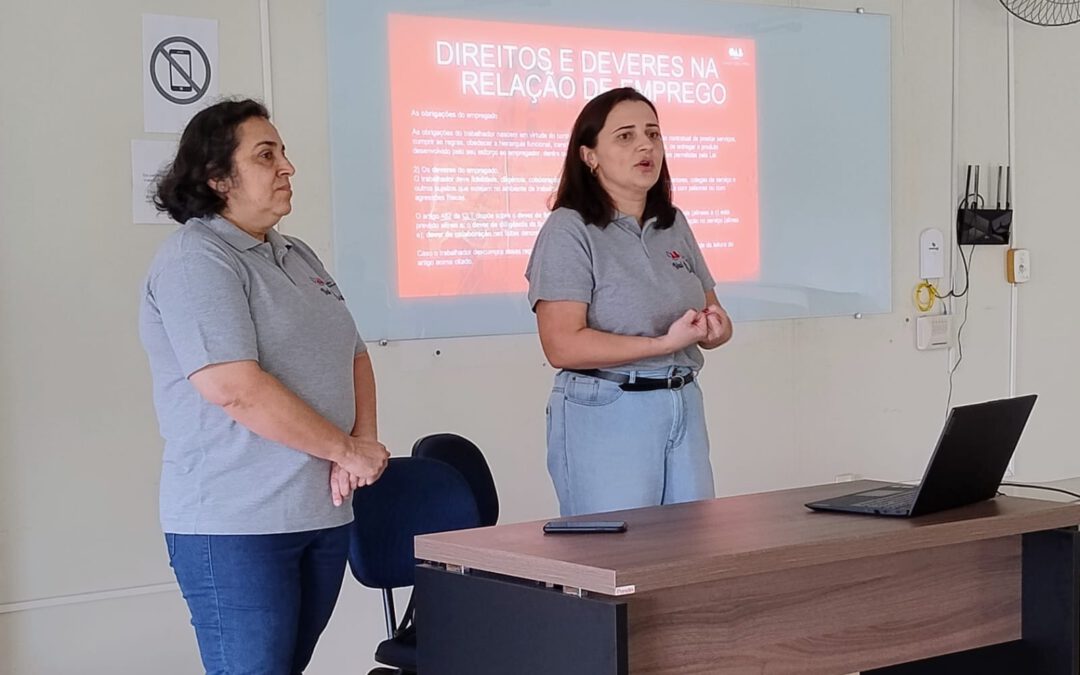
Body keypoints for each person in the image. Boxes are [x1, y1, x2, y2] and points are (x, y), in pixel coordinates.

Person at [139, 98, 389, 674]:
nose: (287, 167)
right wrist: (345, 449)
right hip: (237, 524)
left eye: (283, 152)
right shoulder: (195, 258)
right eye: (266, 155)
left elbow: (352, 352)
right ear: (217, 177)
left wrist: (363, 444)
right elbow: (234, 388)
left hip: (318, 514)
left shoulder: (295, 253)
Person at [525, 87, 733, 517]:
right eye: (625, 136)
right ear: (589, 156)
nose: (645, 146)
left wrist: (715, 328)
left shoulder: (673, 224)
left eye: (653, 134)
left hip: (681, 401)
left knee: (693, 554)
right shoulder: (568, 229)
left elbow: (716, 314)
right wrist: (661, 344)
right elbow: (561, 345)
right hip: (610, 406)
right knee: (617, 557)